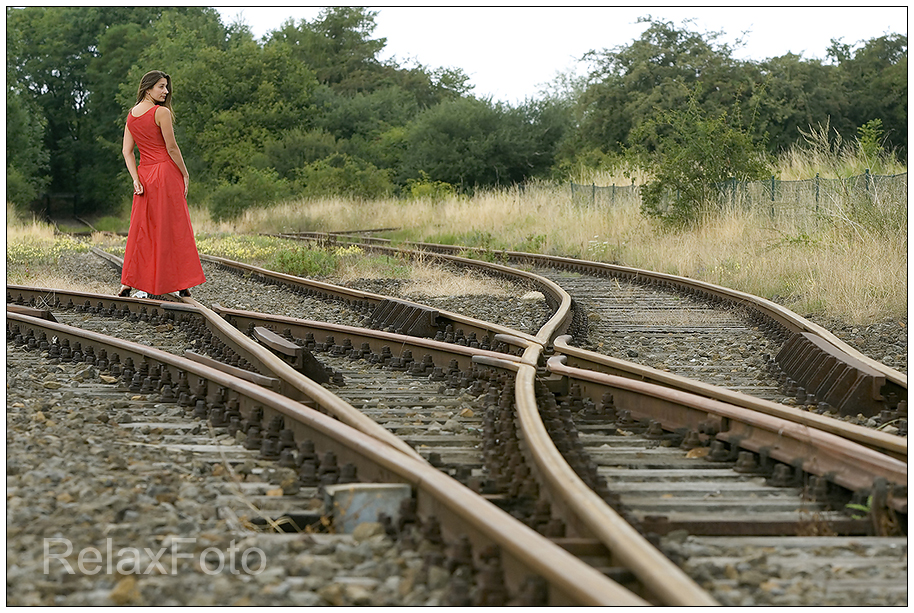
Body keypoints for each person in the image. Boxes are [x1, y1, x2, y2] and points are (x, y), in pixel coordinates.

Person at [119, 70, 205, 298]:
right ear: (148, 88)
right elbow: (172, 148)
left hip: (145, 175)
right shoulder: (161, 113)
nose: (166, 91)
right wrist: (185, 174)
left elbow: (127, 152)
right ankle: (181, 283)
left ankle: (128, 283)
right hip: (166, 174)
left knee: (141, 229)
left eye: (166, 87)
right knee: (174, 228)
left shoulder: (131, 115)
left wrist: (135, 179)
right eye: (161, 86)